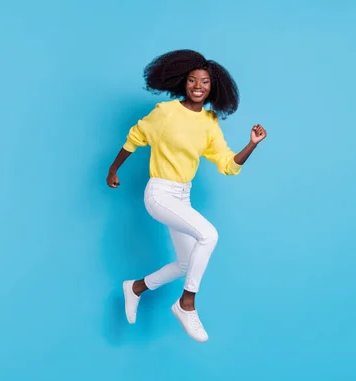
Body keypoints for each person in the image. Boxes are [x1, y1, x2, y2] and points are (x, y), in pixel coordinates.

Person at [106, 49, 267, 343]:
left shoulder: (209, 123)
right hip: (159, 193)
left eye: (204, 82)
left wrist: (252, 144)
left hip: (182, 197)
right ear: (183, 83)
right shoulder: (165, 113)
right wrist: (113, 170)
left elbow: (228, 165)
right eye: (192, 80)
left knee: (184, 263)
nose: (198, 86)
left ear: (212, 87)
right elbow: (135, 137)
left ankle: (136, 287)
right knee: (209, 235)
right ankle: (186, 304)